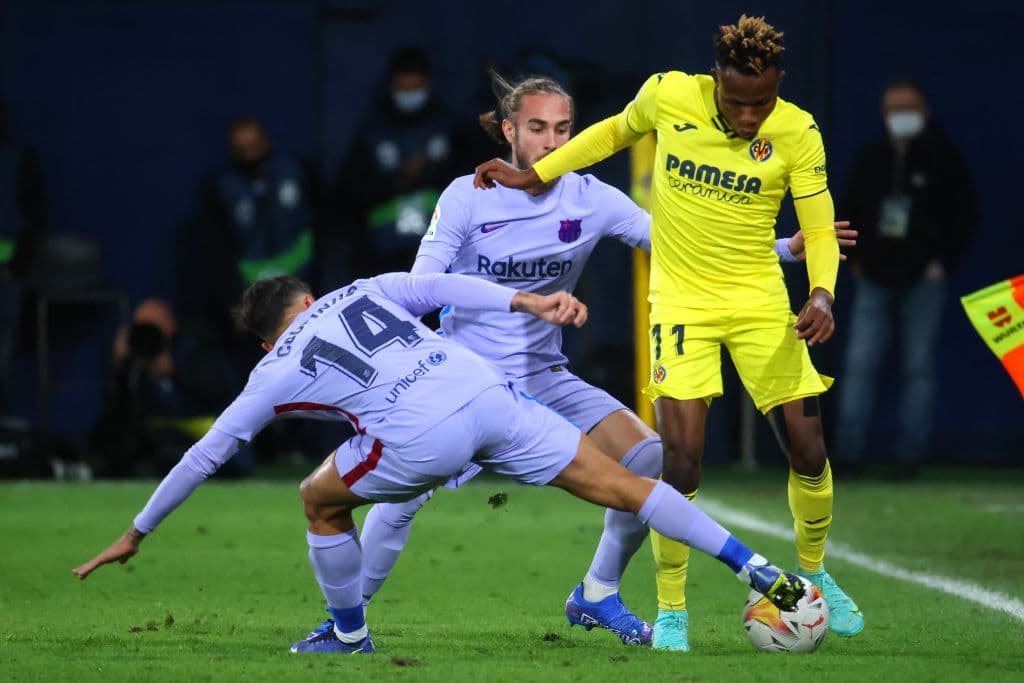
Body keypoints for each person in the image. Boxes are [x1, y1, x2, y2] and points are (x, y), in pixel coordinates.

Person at [354, 73, 857, 651]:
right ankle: (346, 619)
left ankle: (597, 590)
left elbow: (672, 245)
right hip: (466, 380)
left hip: (542, 378)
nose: (551, 141)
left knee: (648, 457)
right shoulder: (468, 195)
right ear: (509, 130)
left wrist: (785, 251)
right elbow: (422, 286)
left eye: (563, 129)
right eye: (537, 128)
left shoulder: (590, 198)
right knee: (399, 495)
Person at [72, 272, 809, 655]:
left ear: (267, 339)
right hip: (487, 390)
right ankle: (764, 573)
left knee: (318, 498)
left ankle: (348, 634)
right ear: (310, 297)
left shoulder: (274, 366)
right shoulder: (361, 290)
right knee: (629, 486)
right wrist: (524, 299)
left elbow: (211, 450)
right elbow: (442, 289)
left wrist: (139, 528)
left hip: (420, 430)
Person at [473, 15, 864, 642]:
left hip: (762, 302)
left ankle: (815, 574)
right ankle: (674, 609)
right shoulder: (668, 95)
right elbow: (607, 135)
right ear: (715, 81)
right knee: (680, 464)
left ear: (779, 85)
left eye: (761, 102)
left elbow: (819, 226)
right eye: (737, 103)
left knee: (807, 447)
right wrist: (533, 174)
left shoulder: (797, 130)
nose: (748, 117)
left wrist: (821, 291)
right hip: (681, 305)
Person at [836, 78, 977, 478]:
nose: (902, 116)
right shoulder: (871, 157)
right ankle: (849, 453)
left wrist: (942, 262)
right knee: (860, 364)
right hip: (873, 277)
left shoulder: (943, 157)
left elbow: (964, 215)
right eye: (894, 109)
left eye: (909, 108)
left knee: (919, 367)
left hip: (923, 279)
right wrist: (856, 261)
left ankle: (909, 456)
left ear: (924, 111)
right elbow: (849, 209)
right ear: (883, 114)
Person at [332, 45, 461, 278]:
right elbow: (347, 195)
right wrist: (396, 178)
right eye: (404, 88)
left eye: (416, 87)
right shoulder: (373, 133)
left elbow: (471, 184)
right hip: (383, 256)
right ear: (392, 86)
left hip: (439, 254)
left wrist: (429, 171)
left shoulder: (450, 128)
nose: (410, 94)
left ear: (427, 85)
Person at [0, 97, 46, 418]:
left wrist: (15, 267)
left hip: (7, 276)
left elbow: (32, 216)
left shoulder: (17, 159)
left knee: (3, 353)